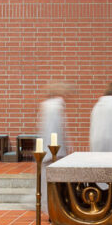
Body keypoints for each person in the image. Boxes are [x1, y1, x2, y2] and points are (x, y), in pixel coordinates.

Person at [38, 83, 69, 212]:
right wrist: (62, 150)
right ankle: (53, 208)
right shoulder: (55, 107)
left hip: (48, 150)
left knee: (47, 182)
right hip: (54, 151)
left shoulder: (46, 106)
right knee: (54, 182)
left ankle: (50, 206)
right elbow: (57, 130)